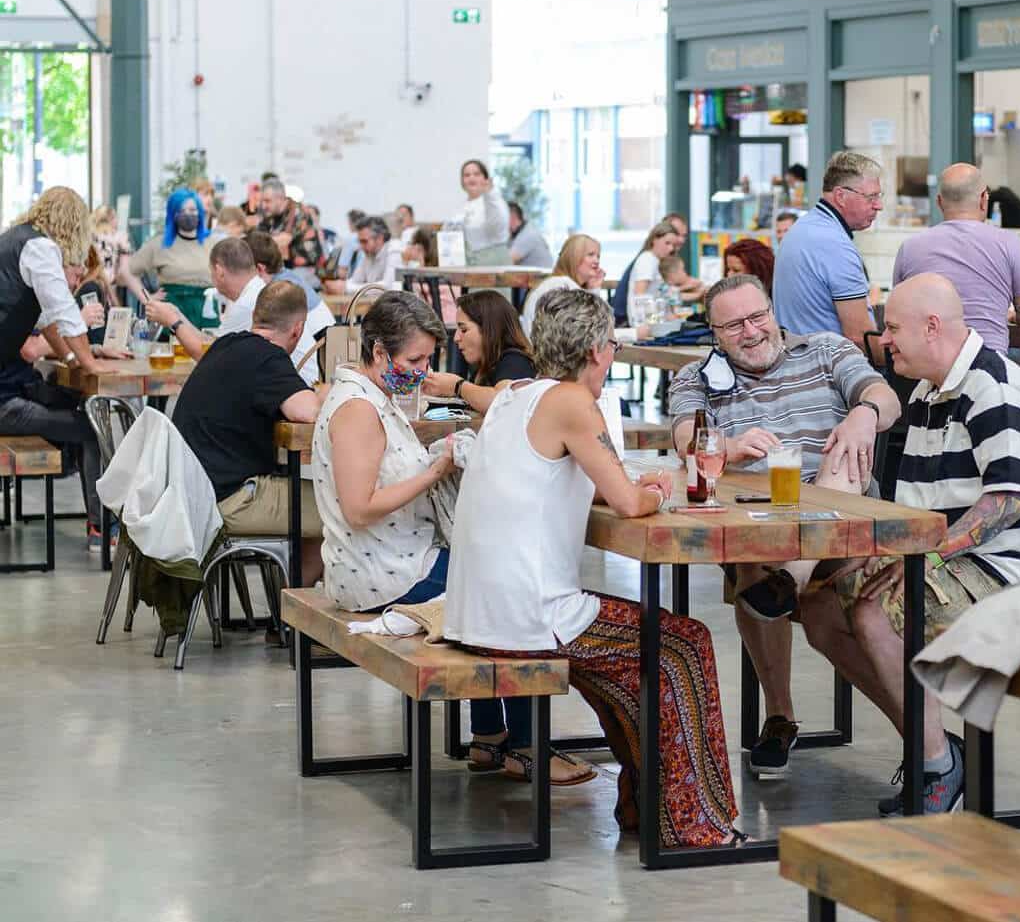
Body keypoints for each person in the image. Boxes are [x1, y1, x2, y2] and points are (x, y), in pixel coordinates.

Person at [445, 287, 743, 846]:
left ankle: (643, 808)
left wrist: (628, 489)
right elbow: (630, 502)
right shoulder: (571, 403)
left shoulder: (516, 394)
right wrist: (653, 491)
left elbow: (572, 480)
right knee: (683, 645)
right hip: (531, 617)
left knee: (633, 675)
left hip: (479, 611)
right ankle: (697, 826)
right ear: (599, 351)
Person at [805, 274, 1020, 815]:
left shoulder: (993, 388)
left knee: (878, 610)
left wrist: (921, 560)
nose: (885, 341)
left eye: (894, 329)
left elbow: (1010, 501)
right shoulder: (930, 389)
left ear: (932, 328)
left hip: (1015, 573)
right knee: (817, 604)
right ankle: (929, 744)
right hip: (956, 558)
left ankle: (939, 767)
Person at [312, 291, 590, 786]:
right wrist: (437, 466)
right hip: (383, 573)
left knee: (487, 585)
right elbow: (359, 508)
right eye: (414, 360)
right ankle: (527, 746)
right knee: (511, 596)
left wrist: (434, 455)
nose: (421, 371)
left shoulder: (371, 398)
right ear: (379, 353)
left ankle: (491, 739)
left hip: (390, 560)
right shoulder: (357, 409)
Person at [667, 274, 902, 779]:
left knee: (836, 466)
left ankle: (788, 580)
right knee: (768, 575)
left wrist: (864, 414)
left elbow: (886, 397)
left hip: (846, 521)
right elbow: (687, 442)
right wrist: (725, 448)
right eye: (733, 326)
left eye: (757, 317)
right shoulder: (696, 378)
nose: (750, 332)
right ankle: (782, 714)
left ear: (773, 312)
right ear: (713, 333)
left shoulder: (824, 350)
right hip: (759, 522)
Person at [172, 281, 324, 585]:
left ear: (256, 314)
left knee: (314, 508)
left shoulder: (224, 345)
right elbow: (308, 412)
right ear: (298, 329)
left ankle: (288, 615)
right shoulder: (269, 358)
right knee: (340, 508)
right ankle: (291, 621)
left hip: (187, 496)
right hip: (229, 501)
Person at [0, 187, 116, 546]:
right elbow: (65, 313)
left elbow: (49, 316)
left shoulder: (14, 241)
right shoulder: (40, 248)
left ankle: (100, 521)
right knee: (98, 425)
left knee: (82, 407)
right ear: (73, 225)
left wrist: (75, 357)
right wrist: (91, 366)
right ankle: (104, 527)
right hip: (4, 402)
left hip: (9, 389)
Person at [890, 163, 1020, 352]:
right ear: (984, 200)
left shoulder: (910, 248)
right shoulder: (1009, 243)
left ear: (939, 202)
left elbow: (896, 314)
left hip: (926, 368)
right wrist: (1009, 314)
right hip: (987, 365)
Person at [147, 237, 332, 385]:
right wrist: (177, 314)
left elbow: (210, 358)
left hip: (301, 389)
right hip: (300, 385)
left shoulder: (248, 303)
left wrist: (173, 321)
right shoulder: (255, 292)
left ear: (219, 271)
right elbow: (214, 346)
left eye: (211, 273)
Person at [773, 151, 883, 356]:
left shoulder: (803, 227)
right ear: (841, 196)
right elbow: (859, 337)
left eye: (879, 196)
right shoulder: (835, 245)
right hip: (827, 373)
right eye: (871, 197)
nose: (879, 205)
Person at [422, 290, 535, 415]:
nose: (456, 338)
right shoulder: (485, 366)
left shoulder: (515, 360)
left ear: (489, 329)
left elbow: (501, 402)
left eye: (464, 330)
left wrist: (457, 386)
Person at [116, 188, 215, 329]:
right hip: (170, 314)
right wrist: (147, 299)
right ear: (173, 214)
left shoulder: (212, 244)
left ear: (200, 212)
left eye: (192, 210)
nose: (188, 214)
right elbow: (127, 272)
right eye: (182, 210)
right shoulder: (158, 244)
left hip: (207, 312)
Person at [612, 221, 682, 323]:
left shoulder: (655, 260)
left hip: (652, 321)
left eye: (673, 245)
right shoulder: (647, 260)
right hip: (646, 324)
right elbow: (640, 296)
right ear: (654, 239)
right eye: (667, 243)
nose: (671, 248)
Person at [255, 178, 322, 271]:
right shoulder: (270, 215)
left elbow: (283, 240)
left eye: (267, 201)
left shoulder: (298, 213)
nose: (263, 206)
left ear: (280, 198)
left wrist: (256, 243)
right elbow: (258, 238)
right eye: (262, 201)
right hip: (282, 267)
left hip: (306, 269)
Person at [457, 158, 508, 265]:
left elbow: (497, 227)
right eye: (467, 175)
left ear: (485, 178)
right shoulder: (462, 207)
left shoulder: (494, 201)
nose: (471, 178)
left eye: (476, 174)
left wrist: (490, 194)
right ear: (462, 181)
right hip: (469, 263)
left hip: (493, 263)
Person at [343, 216, 401, 291]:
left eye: (364, 241)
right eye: (360, 241)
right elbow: (355, 280)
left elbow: (386, 287)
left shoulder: (395, 251)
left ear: (380, 238)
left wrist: (346, 288)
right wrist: (341, 285)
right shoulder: (369, 253)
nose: (361, 246)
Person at [90, 204, 129, 287]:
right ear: (110, 219)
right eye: (116, 217)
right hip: (111, 283)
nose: (117, 220)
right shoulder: (120, 236)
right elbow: (124, 269)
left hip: (92, 281)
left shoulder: (90, 236)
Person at [506, 201, 551, 269]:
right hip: (534, 278)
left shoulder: (528, 235)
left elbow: (506, 261)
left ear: (512, 217)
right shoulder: (515, 235)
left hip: (542, 278)